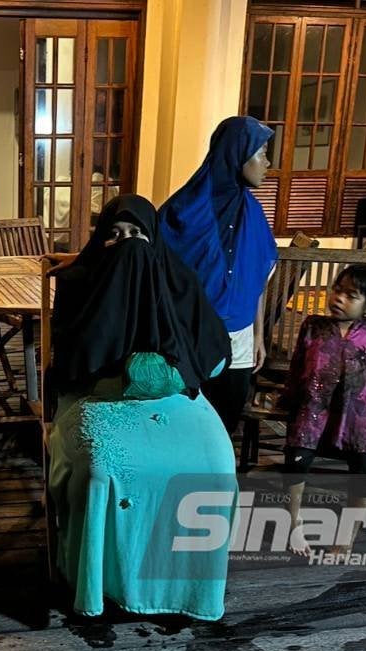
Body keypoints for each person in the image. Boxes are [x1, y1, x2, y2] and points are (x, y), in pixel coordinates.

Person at [46, 194, 235, 619]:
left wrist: (164, 372)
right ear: (99, 241)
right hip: (96, 396)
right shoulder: (80, 283)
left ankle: (188, 589)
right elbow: (72, 366)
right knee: (101, 471)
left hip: (174, 398)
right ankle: (102, 581)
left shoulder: (177, 281)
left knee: (215, 467)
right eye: (114, 236)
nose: (127, 245)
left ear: (155, 239)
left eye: (136, 235)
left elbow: (212, 352)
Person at [157, 116, 278, 436]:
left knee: (226, 419)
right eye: (261, 152)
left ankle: (212, 484)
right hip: (189, 336)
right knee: (186, 422)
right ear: (235, 154)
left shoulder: (252, 213)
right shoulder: (183, 210)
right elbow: (157, 275)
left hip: (239, 336)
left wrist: (258, 335)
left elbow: (258, 279)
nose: (268, 163)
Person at [279, 264, 366, 556]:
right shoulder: (314, 326)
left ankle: (347, 535)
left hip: (357, 414)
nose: (338, 298)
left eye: (350, 295)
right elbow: (297, 367)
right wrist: (288, 400)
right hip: (313, 409)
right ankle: (294, 525)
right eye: (337, 290)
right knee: (296, 461)